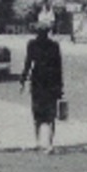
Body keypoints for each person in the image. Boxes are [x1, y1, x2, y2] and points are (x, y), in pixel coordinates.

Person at [19, 22, 64, 153]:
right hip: (51, 82)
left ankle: (38, 141)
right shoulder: (54, 46)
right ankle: (49, 143)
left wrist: (23, 79)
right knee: (50, 115)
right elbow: (58, 67)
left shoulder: (32, 44)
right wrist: (60, 87)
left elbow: (28, 63)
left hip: (38, 81)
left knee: (38, 114)